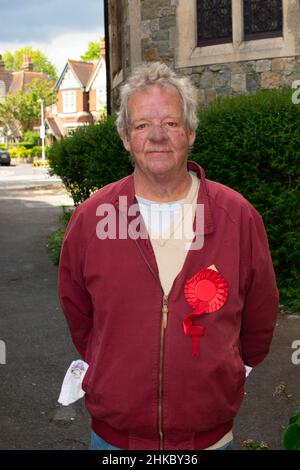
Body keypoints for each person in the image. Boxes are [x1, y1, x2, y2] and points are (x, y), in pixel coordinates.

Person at [58, 62, 279, 451]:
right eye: (142, 125)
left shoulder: (237, 216)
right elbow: (80, 315)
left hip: (208, 440)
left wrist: (222, 372)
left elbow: (259, 317)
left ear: (190, 132)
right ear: (126, 137)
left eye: (171, 123)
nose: (157, 136)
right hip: (114, 441)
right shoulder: (92, 218)